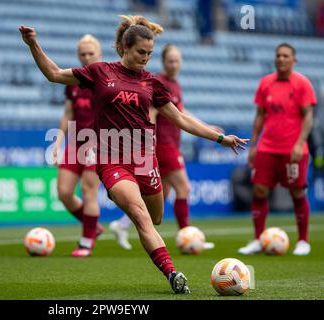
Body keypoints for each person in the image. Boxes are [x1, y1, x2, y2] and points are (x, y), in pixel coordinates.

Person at [19, 15, 248, 294]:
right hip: (111, 160)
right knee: (139, 214)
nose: (146, 58)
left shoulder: (152, 84)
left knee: (155, 218)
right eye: (141, 52)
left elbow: (181, 119)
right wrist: (33, 44)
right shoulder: (99, 72)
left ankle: (127, 217)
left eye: (150, 53)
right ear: (124, 48)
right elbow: (54, 74)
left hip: (144, 160)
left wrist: (219, 137)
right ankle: (172, 274)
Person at [110, 44, 218, 251]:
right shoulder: (157, 82)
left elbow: (180, 111)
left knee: (162, 194)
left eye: (177, 61)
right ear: (163, 61)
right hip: (162, 145)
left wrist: (206, 127)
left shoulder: (175, 84)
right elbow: (151, 113)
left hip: (170, 143)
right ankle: (187, 235)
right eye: (171, 61)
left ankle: (121, 224)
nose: (174, 64)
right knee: (184, 188)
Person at [238, 43, 316, 256]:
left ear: (294, 60)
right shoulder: (266, 83)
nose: (281, 59)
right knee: (259, 190)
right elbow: (260, 116)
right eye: (278, 55)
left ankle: (303, 241)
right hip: (267, 148)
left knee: (297, 192)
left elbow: (308, 116)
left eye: (286, 56)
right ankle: (257, 239)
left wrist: (300, 143)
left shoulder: (302, 84)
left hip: (292, 150)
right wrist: (253, 146)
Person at [53, 35, 103, 257]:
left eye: (91, 53)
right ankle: (93, 227)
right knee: (63, 192)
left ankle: (86, 242)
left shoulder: (104, 80)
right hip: (75, 143)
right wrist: (57, 141)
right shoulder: (73, 81)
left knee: (88, 191)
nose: (86, 57)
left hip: (100, 144)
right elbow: (68, 113)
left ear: (99, 54)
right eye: (83, 54)